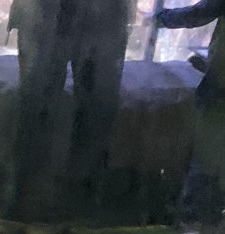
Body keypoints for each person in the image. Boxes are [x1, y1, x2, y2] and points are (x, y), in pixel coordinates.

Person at [10, 0, 136, 221]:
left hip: (100, 17)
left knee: (93, 114)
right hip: (52, 13)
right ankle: (29, 203)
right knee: (36, 109)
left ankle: (77, 207)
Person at [154, 0, 225, 223]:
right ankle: (223, 215)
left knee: (208, 155)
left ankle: (196, 218)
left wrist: (159, 18)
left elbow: (198, 14)